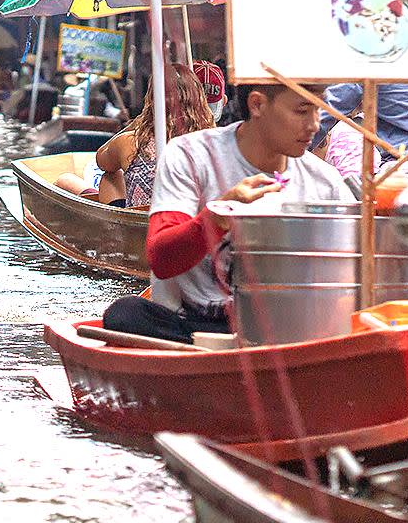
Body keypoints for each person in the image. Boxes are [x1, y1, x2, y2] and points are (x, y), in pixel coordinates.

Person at [101, 81, 356, 344]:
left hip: (282, 326)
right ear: (257, 104)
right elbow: (162, 260)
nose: (314, 124)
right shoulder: (189, 155)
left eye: (318, 110)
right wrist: (218, 216)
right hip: (193, 324)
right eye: (302, 111)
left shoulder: (325, 181)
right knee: (125, 314)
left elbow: (354, 268)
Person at [63, 62, 213, 206]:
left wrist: (139, 122)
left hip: (140, 220)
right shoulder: (211, 145)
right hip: (194, 218)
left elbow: (101, 160)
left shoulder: (131, 142)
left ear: (152, 100)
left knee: (110, 176)